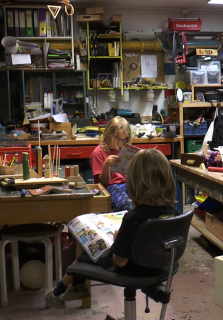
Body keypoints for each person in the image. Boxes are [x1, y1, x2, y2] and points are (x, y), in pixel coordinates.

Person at [45, 148, 179, 309]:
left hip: (132, 270)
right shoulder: (173, 213)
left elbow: (119, 261)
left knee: (83, 258)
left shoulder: (132, 219)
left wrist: (117, 239)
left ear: (135, 183)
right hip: (160, 265)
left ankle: (57, 293)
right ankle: (74, 288)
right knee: (87, 249)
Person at [89, 116, 133, 212]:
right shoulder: (98, 152)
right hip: (109, 186)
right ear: (109, 134)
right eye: (117, 139)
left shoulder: (124, 150)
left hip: (126, 183)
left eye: (123, 139)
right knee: (125, 205)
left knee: (148, 199)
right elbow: (104, 182)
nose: (120, 142)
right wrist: (106, 166)